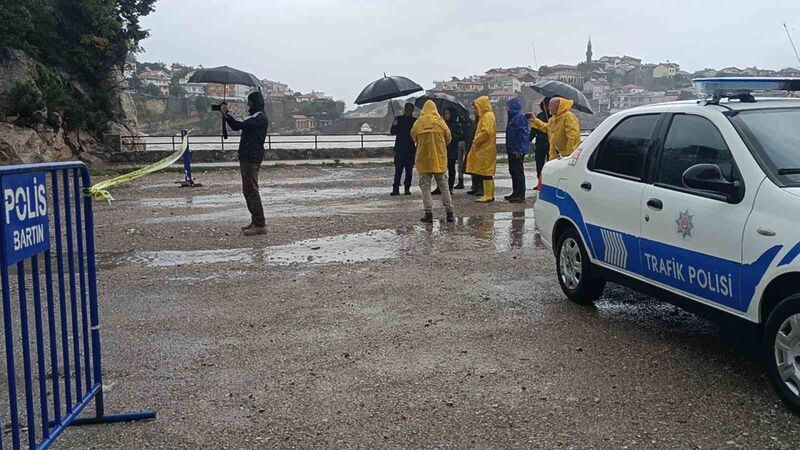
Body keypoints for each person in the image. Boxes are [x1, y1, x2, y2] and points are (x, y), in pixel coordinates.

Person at [221, 91, 269, 236]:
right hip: (247, 156)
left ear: (254, 103)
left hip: (251, 157)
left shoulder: (259, 117)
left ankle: (260, 224)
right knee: (247, 190)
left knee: (251, 190)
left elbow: (238, 123)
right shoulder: (256, 116)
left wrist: (227, 113)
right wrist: (226, 115)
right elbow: (238, 124)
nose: (248, 105)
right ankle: (255, 221)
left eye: (249, 102)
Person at [411, 100, 454, 223]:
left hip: (423, 160)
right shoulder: (440, 122)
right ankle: (449, 212)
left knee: (425, 188)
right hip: (439, 159)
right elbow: (448, 138)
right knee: (444, 187)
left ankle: (428, 213)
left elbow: (413, 136)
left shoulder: (419, 122)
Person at [465, 96, 497, 203]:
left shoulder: (487, 116)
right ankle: (489, 193)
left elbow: (486, 132)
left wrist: (476, 140)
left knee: (486, 172)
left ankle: (488, 194)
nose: (475, 110)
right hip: (486, 148)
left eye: (476, 107)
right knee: (486, 172)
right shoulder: (487, 115)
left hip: (485, 149)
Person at [531, 96, 581, 161]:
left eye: (550, 106)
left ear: (558, 106)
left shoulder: (568, 117)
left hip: (567, 155)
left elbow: (573, 136)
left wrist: (569, 155)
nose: (549, 108)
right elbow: (547, 128)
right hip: (558, 155)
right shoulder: (553, 119)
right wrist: (535, 120)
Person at [504, 98, 530, 203]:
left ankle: (520, 194)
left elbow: (523, 134)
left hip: (517, 151)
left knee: (518, 172)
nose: (506, 108)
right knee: (513, 171)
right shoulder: (513, 118)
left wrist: (519, 149)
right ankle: (515, 192)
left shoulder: (519, 117)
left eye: (508, 106)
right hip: (512, 149)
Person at [432, 107, 463, 195]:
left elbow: (458, 136)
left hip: (451, 150)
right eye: (445, 113)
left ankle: (450, 187)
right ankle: (439, 187)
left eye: (447, 113)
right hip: (442, 150)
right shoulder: (442, 123)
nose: (446, 115)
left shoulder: (456, 125)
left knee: (451, 169)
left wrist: (449, 133)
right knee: (440, 170)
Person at [390, 103, 417, 196]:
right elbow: (392, 132)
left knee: (409, 171)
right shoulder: (398, 119)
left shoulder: (415, 121)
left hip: (410, 149)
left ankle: (407, 188)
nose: (408, 110)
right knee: (398, 171)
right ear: (404, 109)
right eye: (407, 108)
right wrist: (394, 125)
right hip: (399, 149)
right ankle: (395, 189)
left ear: (413, 110)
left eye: (410, 109)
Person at [530, 97, 552, 191]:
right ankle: (540, 182)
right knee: (539, 164)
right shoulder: (540, 116)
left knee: (550, 164)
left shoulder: (554, 117)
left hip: (550, 144)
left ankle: (549, 183)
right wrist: (529, 139)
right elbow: (534, 129)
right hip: (540, 144)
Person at [462, 116, 482, 197]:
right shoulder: (474, 122)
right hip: (471, 147)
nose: (474, 111)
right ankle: (475, 186)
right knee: (472, 168)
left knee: (478, 169)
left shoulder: (481, 121)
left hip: (477, 148)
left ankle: (480, 187)